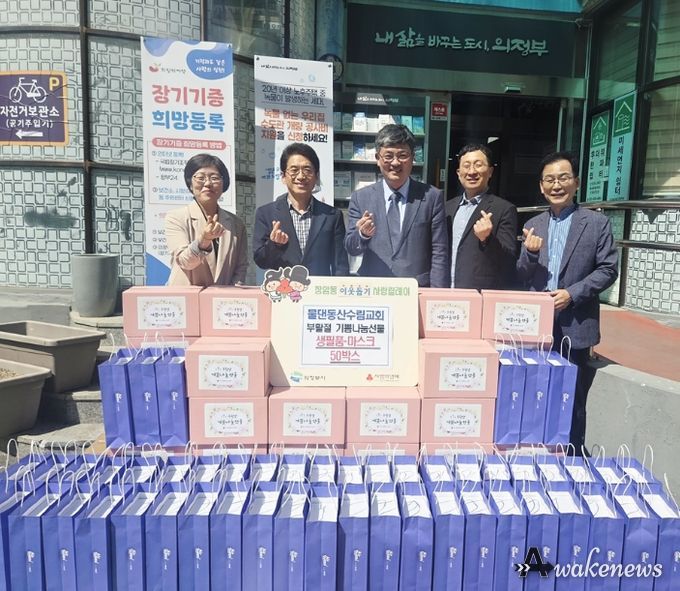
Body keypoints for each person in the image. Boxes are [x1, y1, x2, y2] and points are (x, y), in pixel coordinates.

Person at [517, 151, 618, 454]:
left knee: (572, 399)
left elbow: (608, 269)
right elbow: (521, 274)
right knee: (535, 393)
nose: (556, 185)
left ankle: (572, 458)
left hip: (576, 324)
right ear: (541, 186)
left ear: (576, 182)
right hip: (537, 327)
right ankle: (537, 456)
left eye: (563, 178)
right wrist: (529, 254)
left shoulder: (596, 223)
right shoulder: (533, 224)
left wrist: (572, 293)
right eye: (550, 179)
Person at [344, 124, 448, 287]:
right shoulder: (361, 198)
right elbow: (351, 247)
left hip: (416, 288)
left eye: (402, 155)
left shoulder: (431, 197)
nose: (395, 162)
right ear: (378, 159)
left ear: (412, 158)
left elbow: (439, 252)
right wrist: (362, 234)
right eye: (388, 156)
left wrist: (436, 294)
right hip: (374, 288)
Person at [253, 143, 349, 276]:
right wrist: (274, 245)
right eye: (294, 170)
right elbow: (260, 261)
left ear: (316, 176)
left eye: (307, 170)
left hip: (319, 288)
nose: (301, 176)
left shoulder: (332, 216)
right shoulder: (266, 213)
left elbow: (340, 265)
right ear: (283, 176)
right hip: (283, 286)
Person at [164, 153, 248, 286]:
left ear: (223, 184)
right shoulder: (176, 218)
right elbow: (184, 262)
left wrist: (232, 293)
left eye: (214, 178)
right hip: (188, 295)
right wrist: (203, 241)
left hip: (224, 297)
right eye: (200, 178)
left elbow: (240, 267)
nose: (208, 183)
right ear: (190, 184)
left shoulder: (237, 224)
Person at [447, 143, 518, 289]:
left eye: (478, 165)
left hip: (479, 293)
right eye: (466, 166)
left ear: (490, 171)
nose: (472, 171)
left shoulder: (504, 209)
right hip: (445, 289)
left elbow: (509, 260)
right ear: (459, 173)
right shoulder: (447, 207)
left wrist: (487, 239)